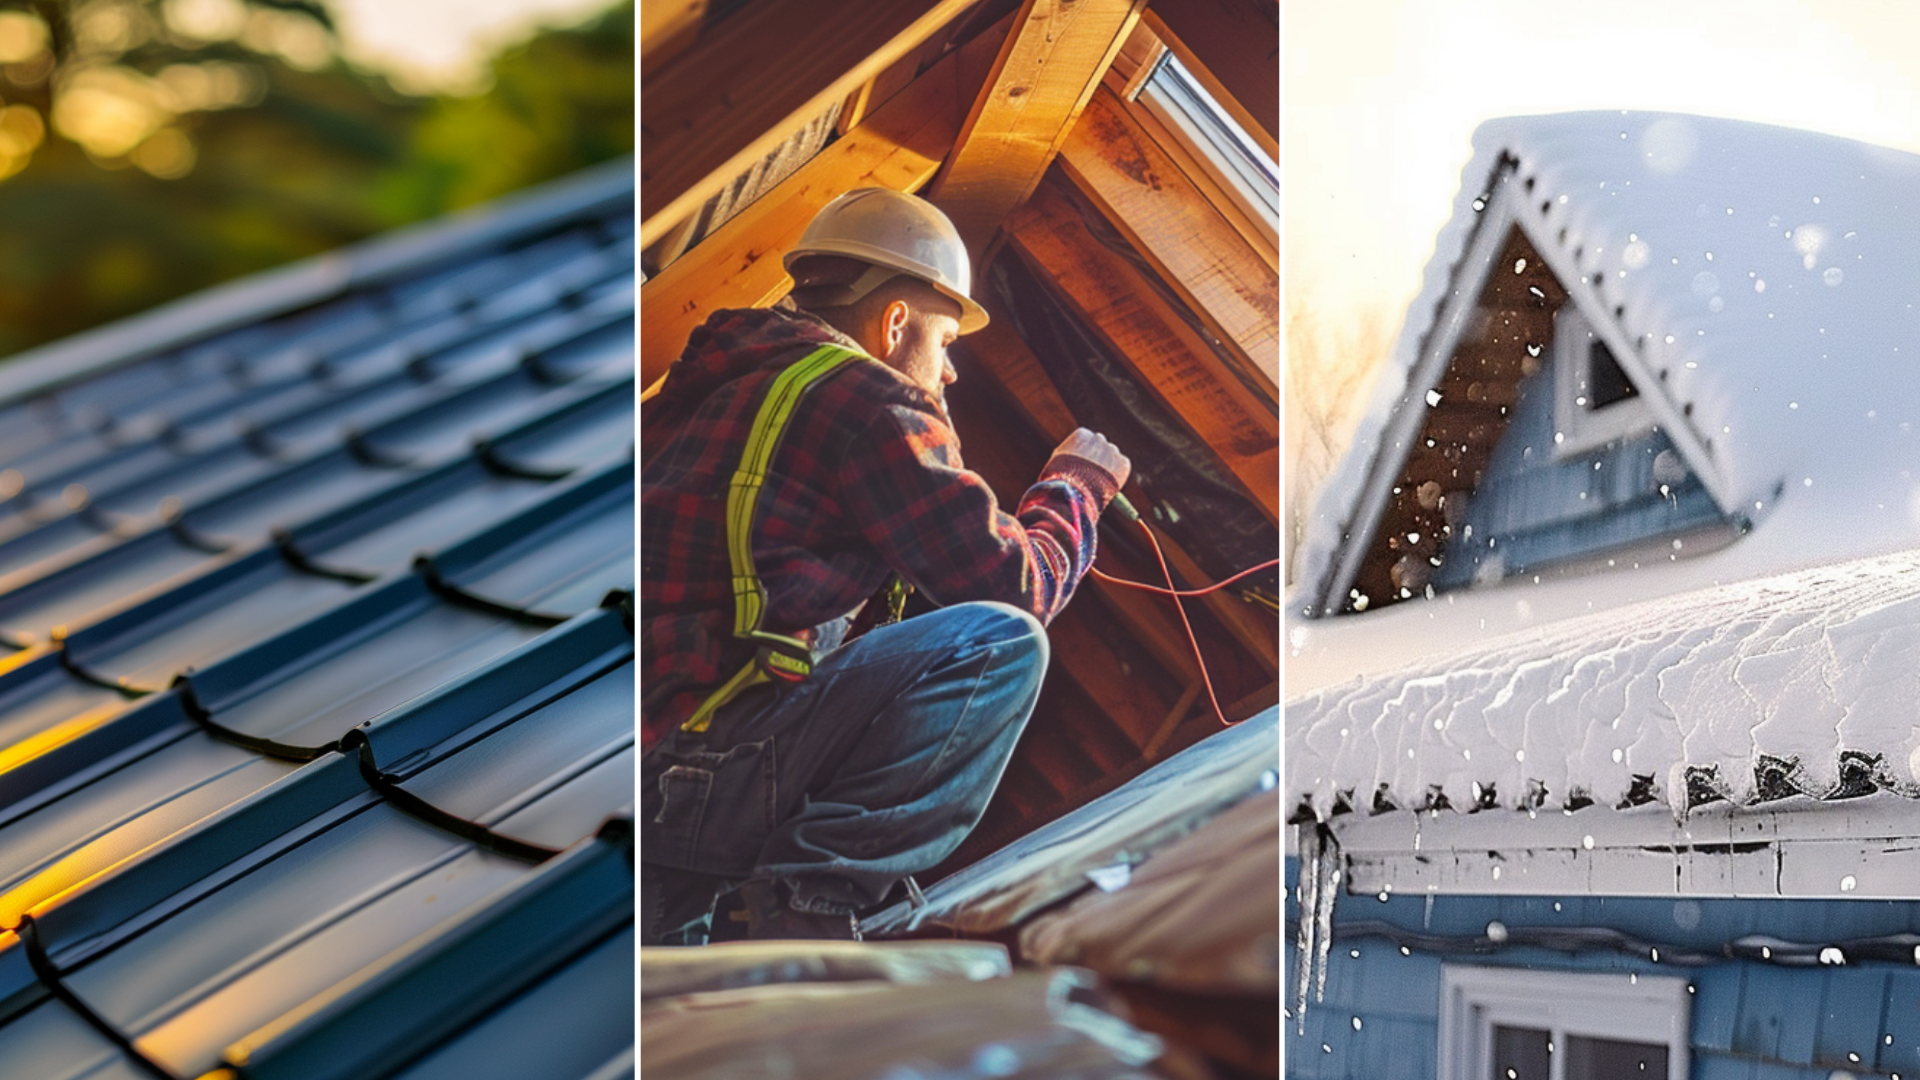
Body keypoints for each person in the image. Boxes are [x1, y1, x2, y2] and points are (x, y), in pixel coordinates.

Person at [639, 187, 1130, 943]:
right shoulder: (867, 397)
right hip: (708, 773)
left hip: (630, 779)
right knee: (995, 642)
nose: (952, 375)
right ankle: (809, 902)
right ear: (896, 322)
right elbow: (1016, 586)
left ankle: (746, 920)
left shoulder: (701, 387)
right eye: (947, 344)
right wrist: (1077, 488)